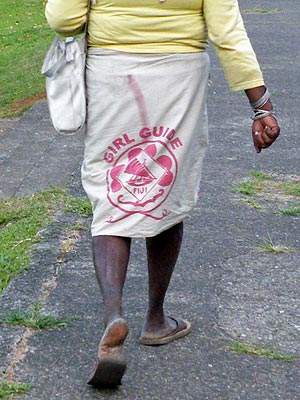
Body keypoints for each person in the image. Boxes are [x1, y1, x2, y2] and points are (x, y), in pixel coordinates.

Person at [45, 0, 280, 388]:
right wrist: (261, 106)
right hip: (179, 76)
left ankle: (113, 316)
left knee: (113, 194)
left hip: (112, 73)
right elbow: (227, 33)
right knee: (167, 190)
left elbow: (63, 18)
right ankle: (155, 319)